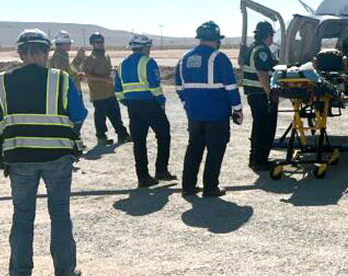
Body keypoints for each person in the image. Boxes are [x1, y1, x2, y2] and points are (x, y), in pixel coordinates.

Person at [0, 29, 85, 276]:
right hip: (57, 158)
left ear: (20, 53)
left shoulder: (1, 81)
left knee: (22, 217)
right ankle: (64, 273)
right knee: (60, 215)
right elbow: (79, 114)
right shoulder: (61, 80)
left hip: (19, 159)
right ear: (47, 52)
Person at [176, 21, 243, 197]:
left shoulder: (184, 59)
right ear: (216, 39)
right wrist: (237, 110)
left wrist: (188, 105)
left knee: (194, 148)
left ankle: (188, 186)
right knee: (215, 149)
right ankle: (210, 187)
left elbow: (179, 89)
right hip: (217, 115)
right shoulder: (219, 58)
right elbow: (231, 87)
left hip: (194, 114)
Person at [115, 33, 175, 187]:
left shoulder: (121, 65)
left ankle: (143, 177)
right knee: (163, 135)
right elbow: (155, 85)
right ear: (145, 47)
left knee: (139, 142)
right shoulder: (148, 62)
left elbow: (118, 90)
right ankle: (161, 170)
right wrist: (161, 101)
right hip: (150, 104)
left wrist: (127, 102)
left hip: (133, 107)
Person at [241, 21, 279, 172]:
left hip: (254, 93)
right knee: (265, 127)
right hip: (260, 94)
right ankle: (260, 160)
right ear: (268, 35)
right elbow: (263, 73)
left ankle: (255, 159)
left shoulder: (252, 48)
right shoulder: (261, 51)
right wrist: (270, 92)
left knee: (258, 126)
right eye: (271, 35)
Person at [81, 32, 130, 145]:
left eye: (102, 42)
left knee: (116, 115)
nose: (101, 44)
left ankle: (123, 135)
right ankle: (101, 137)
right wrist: (104, 79)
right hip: (98, 94)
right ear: (92, 44)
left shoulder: (106, 56)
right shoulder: (89, 58)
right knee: (100, 118)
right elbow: (87, 75)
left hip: (110, 92)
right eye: (98, 42)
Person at [49, 30, 85, 140]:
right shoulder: (58, 58)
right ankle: (72, 138)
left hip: (72, 90)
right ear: (61, 44)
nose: (70, 45)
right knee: (77, 116)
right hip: (68, 92)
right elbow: (62, 76)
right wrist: (76, 76)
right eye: (68, 43)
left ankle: (73, 138)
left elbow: (70, 71)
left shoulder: (63, 57)